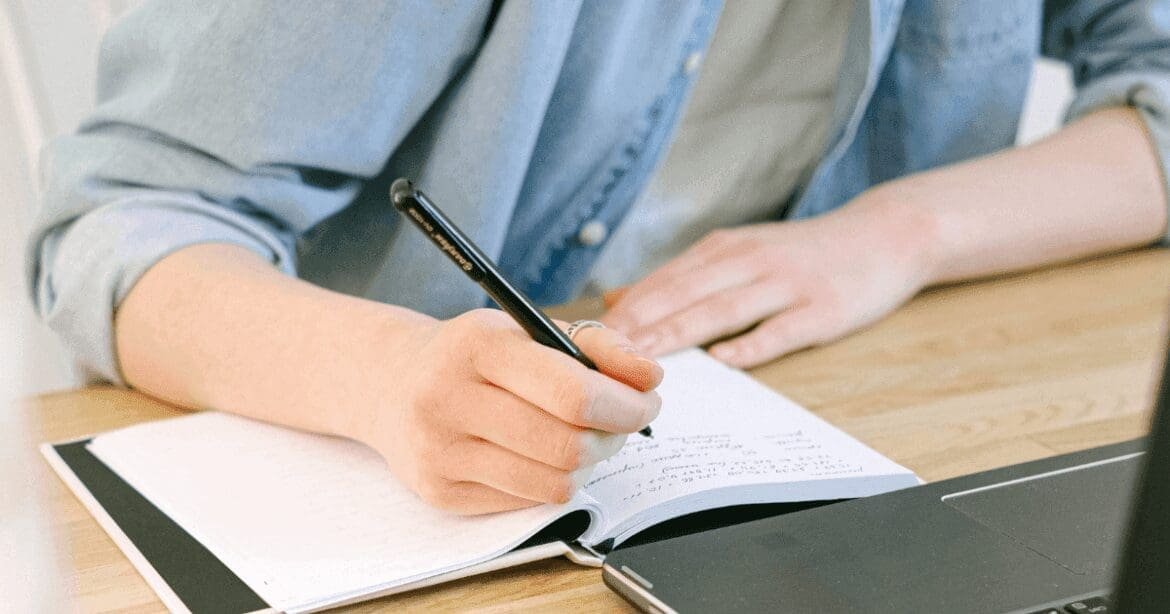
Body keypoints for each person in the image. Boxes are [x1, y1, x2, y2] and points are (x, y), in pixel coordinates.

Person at [27, 1, 1170, 514]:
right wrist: (384, 374)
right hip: (415, 504)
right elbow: (120, 223)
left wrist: (898, 234)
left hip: (860, 449)